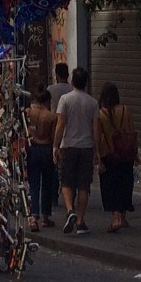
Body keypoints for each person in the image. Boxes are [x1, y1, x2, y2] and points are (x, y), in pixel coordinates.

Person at [54, 67, 98, 235]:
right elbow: (96, 129)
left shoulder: (65, 100)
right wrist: (97, 151)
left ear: (72, 81)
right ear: (86, 83)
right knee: (84, 186)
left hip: (69, 146)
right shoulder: (92, 102)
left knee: (66, 181)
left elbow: (60, 125)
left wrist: (55, 146)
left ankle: (70, 209)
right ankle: (80, 221)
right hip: (86, 147)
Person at [94, 82, 138, 232]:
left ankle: (116, 218)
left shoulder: (100, 114)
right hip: (126, 154)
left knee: (110, 186)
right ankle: (124, 217)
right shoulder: (126, 110)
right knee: (125, 183)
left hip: (109, 154)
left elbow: (97, 136)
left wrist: (98, 156)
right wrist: (136, 153)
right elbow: (132, 132)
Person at [25, 87, 59, 230]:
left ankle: (33, 217)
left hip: (32, 149)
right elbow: (53, 137)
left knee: (34, 184)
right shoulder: (51, 116)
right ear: (46, 101)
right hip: (46, 149)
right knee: (47, 184)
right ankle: (45, 217)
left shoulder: (28, 113)